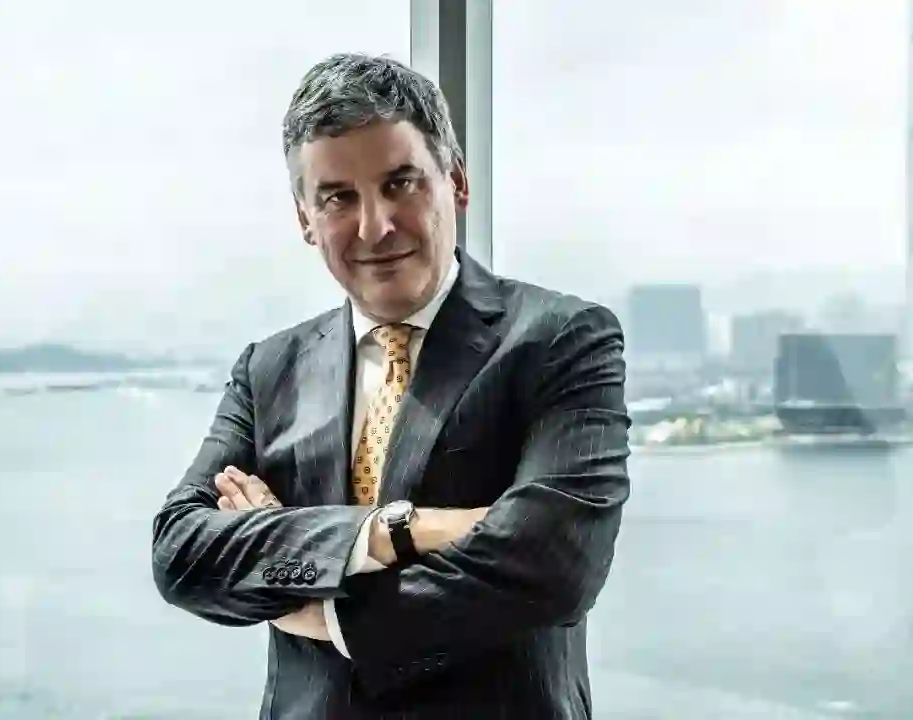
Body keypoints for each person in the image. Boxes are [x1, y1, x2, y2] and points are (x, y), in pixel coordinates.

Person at [151, 52, 631, 719]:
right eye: (338, 198)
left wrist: (321, 609)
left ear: (455, 182)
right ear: (305, 218)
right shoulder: (268, 370)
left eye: (400, 184)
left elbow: (555, 563)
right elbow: (182, 553)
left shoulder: (560, 340)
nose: (374, 226)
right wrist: (391, 532)